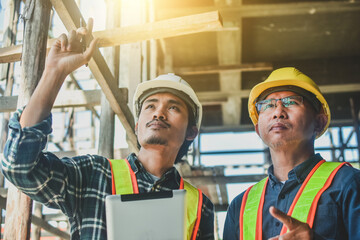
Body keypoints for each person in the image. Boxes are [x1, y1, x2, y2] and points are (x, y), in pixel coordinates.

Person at [2, 19, 214, 239]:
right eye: (150, 105)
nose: (158, 113)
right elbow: (20, 167)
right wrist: (54, 74)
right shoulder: (94, 174)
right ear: (137, 124)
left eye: (173, 107)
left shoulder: (200, 206)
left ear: (191, 132)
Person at [223, 67, 360, 240]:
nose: (278, 112)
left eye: (292, 102)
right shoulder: (240, 206)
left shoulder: (349, 183)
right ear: (258, 129)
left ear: (319, 122)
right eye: (268, 105)